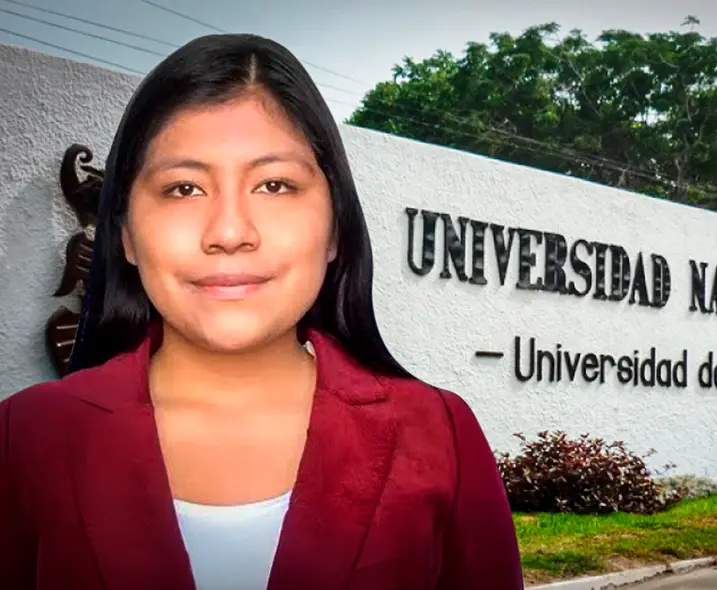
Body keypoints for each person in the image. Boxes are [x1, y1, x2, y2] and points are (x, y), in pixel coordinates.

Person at [0, 33, 523, 590]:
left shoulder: (439, 436)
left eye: (274, 185)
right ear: (125, 232)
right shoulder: (27, 437)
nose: (229, 233)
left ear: (335, 228)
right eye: (183, 189)